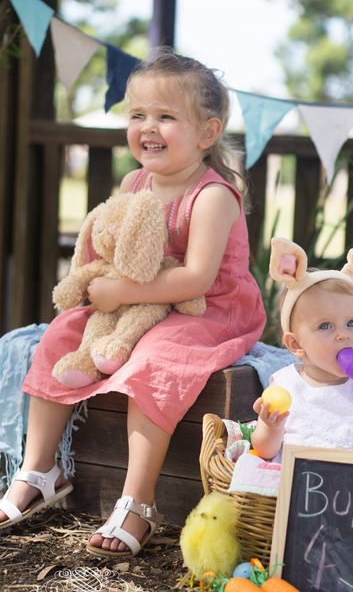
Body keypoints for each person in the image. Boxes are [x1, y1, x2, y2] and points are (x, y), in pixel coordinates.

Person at [0, 47, 266, 556]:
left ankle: (138, 498)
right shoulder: (134, 183)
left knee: (156, 360)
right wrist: (97, 286)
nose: (148, 127)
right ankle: (39, 469)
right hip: (140, 301)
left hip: (209, 308)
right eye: (138, 115)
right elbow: (112, 249)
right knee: (60, 334)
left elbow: (195, 278)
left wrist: (121, 292)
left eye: (166, 117)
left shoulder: (211, 196)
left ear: (207, 133)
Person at [251, 227, 353, 461]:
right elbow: (265, 450)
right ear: (296, 344)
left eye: (352, 323)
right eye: (326, 326)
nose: (343, 335)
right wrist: (271, 428)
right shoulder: (285, 384)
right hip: (306, 483)